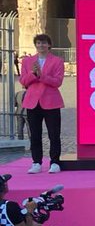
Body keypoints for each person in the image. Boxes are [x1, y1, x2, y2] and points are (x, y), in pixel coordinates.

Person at [19, 33, 64, 174]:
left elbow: (57, 82)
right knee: (35, 134)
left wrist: (41, 76)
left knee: (54, 134)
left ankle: (55, 162)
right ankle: (36, 162)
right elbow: (23, 81)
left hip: (51, 101)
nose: (41, 45)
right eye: (38, 43)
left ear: (49, 45)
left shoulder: (57, 61)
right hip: (33, 102)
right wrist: (33, 74)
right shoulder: (27, 61)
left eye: (44, 43)